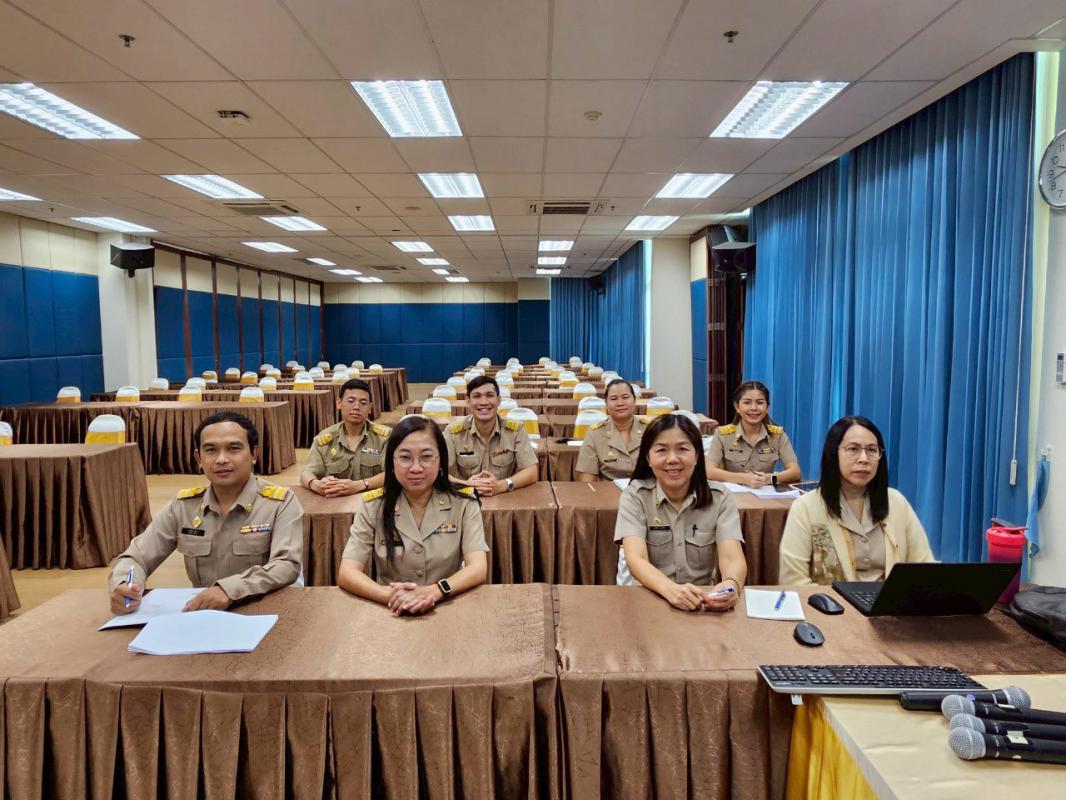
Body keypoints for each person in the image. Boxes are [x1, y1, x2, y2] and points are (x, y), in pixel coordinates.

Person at [108, 412, 303, 615]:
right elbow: (136, 557)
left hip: (262, 611)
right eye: (211, 450)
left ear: (254, 454)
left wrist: (229, 590)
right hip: (205, 615)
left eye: (233, 449)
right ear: (198, 458)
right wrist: (125, 584)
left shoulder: (279, 503)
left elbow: (286, 565)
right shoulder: (184, 506)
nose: (221, 459)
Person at [338, 415, 488, 615]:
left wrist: (436, 591)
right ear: (392, 463)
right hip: (390, 610)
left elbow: (478, 567)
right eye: (405, 457)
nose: (416, 468)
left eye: (426, 457)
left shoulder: (464, 503)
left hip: (448, 605)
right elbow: (347, 572)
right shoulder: (373, 505)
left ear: (441, 461)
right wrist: (391, 597)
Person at [778, 415, 936, 585]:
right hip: (831, 601)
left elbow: (924, 566)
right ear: (833, 454)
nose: (864, 459)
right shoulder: (806, 507)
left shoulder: (896, 502)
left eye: (872, 450)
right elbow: (793, 581)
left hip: (891, 600)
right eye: (853, 449)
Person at [615, 414, 747, 612]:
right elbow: (636, 558)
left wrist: (731, 584)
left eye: (682, 449)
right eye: (661, 450)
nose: (672, 459)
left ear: (697, 456)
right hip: (649, 600)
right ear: (648, 458)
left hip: (701, 604)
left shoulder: (720, 497)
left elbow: (732, 558)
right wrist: (670, 590)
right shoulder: (636, 496)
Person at [443, 375, 538, 496]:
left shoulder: (516, 430)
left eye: (489, 395)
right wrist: (466, 485)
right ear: (468, 401)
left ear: (499, 400)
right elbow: (438, 472)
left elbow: (531, 471)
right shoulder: (453, 433)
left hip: (504, 498)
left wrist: (503, 485)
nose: (484, 402)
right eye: (477, 396)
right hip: (465, 499)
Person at [301, 378, 391, 496]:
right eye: (351, 401)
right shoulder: (324, 439)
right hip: (336, 502)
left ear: (370, 408)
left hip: (373, 500)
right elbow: (307, 472)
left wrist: (360, 485)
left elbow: (392, 474)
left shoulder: (384, 438)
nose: (356, 407)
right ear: (339, 403)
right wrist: (316, 484)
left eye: (363, 403)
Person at [706, 380, 801, 488]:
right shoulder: (722, 434)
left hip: (766, 493)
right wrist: (743, 478)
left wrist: (770, 478)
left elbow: (795, 472)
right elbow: (709, 471)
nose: (754, 408)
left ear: (767, 408)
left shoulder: (777, 435)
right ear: (737, 407)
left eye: (759, 403)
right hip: (733, 495)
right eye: (747, 402)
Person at [574, 378, 649, 481]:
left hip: (644, 489)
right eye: (614, 399)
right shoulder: (595, 434)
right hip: (608, 490)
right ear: (606, 403)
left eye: (625, 397)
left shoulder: (649, 430)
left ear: (634, 400)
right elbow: (587, 480)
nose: (620, 403)